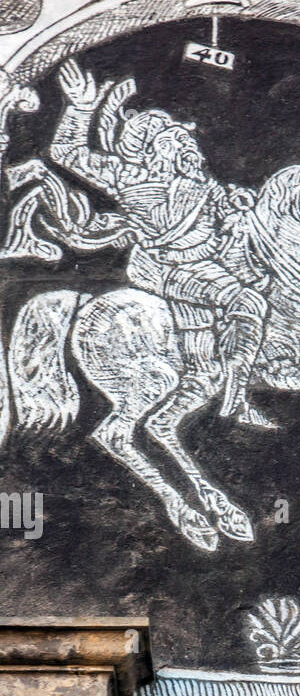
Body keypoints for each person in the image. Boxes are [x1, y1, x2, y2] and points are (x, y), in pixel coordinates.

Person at [49, 58, 268, 425]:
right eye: (175, 139)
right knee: (248, 300)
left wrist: (238, 203)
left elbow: (224, 203)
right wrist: (80, 107)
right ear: (152, 148)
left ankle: (202, 386)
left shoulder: (197, 178)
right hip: (168, 267)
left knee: (203, 367)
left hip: (203, 263)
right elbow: (66, 152)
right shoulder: (126, 175)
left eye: (186, 138)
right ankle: (237, 397)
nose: (187, 143)